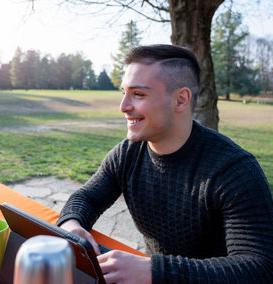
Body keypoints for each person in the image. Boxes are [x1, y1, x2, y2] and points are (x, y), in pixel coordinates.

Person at [56, 44, 273, 283]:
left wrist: (155, 271)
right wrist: (71, 223)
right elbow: (87, 197)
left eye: (138, 94)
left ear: (181, 100)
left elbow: (258, 268)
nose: (123, 107)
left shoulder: (234, 171)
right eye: (123, 93)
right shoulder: (127, 154)